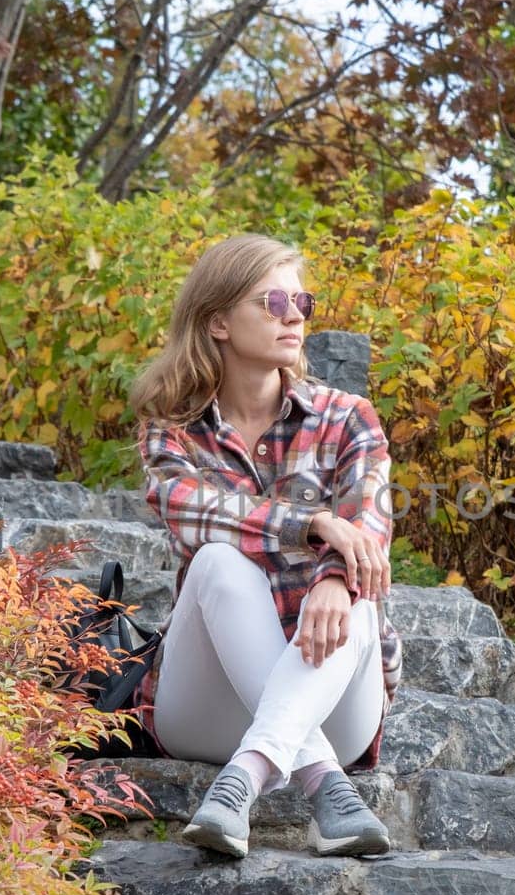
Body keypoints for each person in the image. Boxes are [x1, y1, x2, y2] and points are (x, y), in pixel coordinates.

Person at [126, 233, 403, 859]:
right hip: (208, 709)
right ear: (218, 320)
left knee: (355, 594)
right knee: (218, 561)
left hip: (333, 704)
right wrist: (311, 524)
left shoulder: (348, 417)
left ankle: (243, 781)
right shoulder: (173, 432)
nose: (294, 314)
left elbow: (370, 531)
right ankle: (321, 783)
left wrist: (334, 578)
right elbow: (188, 510)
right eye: (273, 299)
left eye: (301, 299)